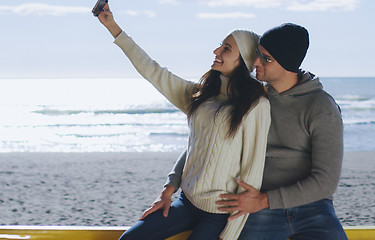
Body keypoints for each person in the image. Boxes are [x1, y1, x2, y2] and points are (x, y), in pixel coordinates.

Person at [96, 4, 271, 240]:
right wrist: (112, 27)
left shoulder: (256, 105)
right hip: (185, 203)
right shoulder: (201, 95)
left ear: (243, 60)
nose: (216, 51)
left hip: (219, 215)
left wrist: (230, 233)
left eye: (226, 49)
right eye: (221, 45)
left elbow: (252, 171)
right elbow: (154, 71)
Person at [168, 23, 348, 239]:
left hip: (311, 207)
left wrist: (264, 200)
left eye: (266, 58)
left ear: (287, 64)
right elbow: (207, 140)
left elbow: (326, 181)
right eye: (257, 54)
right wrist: (173, 181)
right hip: (256, 205)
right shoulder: (251, 99)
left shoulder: (321, 108)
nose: (255, 63)